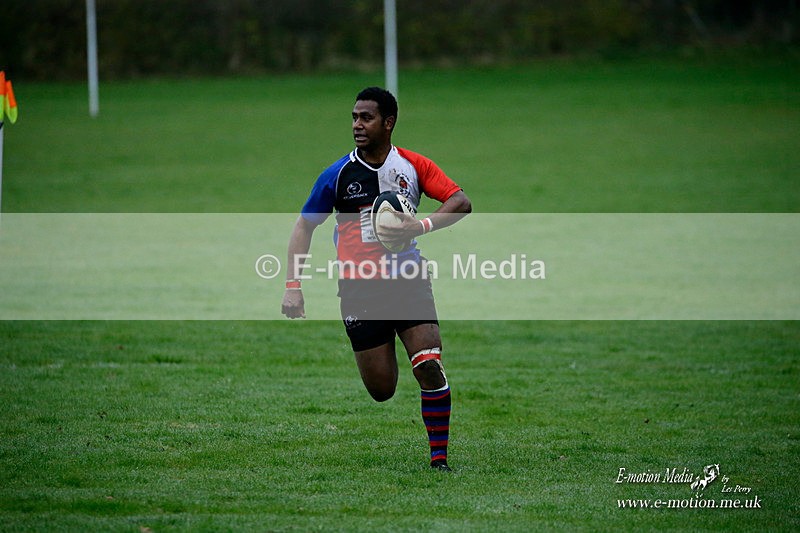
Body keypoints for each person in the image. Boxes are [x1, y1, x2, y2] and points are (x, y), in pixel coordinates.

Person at [281, 87, 471, 471]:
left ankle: (439, 462)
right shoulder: (337, 175)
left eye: (366, 118)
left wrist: (419, 226)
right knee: (382, 389)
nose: (357, 125)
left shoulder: (413, 166)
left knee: (429, 364)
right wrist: (292, 286)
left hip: (408, 280)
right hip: (360, 290)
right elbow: (304, 226)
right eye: (354, 117)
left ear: (388, 122)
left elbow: (460, 202)